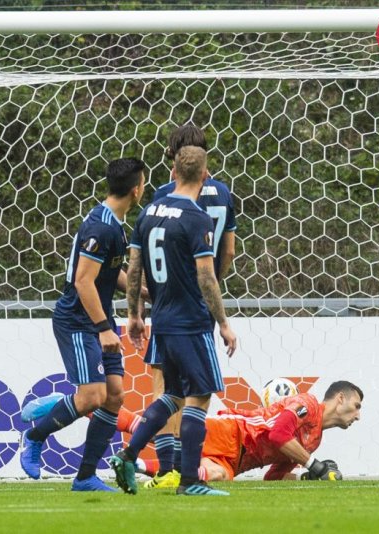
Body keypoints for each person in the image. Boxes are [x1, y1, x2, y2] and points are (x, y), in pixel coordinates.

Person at [110, 145, 237, 497]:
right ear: (205, 175)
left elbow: (135, 268)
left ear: (173, 173)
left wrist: (134, 314)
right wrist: (223, 323)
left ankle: (128, 455)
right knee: (199, 396)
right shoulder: (197, 218)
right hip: (191, 322)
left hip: (162, 320)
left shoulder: (148, 213)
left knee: (173, 395)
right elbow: (207, 277)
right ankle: (190, 482)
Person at [19, 158, 147, 492]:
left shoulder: (114, 223)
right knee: (92, 396)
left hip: (98, 318)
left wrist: (140, 290)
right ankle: (34, 436)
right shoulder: (101, 227)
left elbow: (109, 273)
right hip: (79, 320)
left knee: (114, 397)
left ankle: (85, 476)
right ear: (137, 189)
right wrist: (104, 328)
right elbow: (83, 281)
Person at [144, 124, 238, 489]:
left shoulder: (163, 196)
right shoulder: (224, 194)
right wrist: (211, 287)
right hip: (201, 303)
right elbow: (228, 250)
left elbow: (148, 254)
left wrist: (149, 295)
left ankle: (167, 469)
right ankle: (184, 471)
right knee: (196, 387)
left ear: (174, 157)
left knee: (165, 385)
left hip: (168, 301)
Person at [116, 380, 361, 482]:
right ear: (340, 398)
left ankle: (135, 465)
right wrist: (316, 467)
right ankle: (102, 408)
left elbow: (272, 478)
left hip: (236, 463)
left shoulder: (313, 442)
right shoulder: (308, 403)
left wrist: (305, 478)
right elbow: (278, 434)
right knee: (160, 434)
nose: (358, 415)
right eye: (357, 406)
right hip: (234, 432)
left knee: (213, 475)